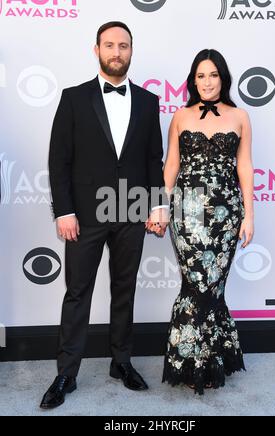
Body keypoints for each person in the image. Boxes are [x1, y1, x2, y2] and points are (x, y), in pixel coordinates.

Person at [41, 21, 169, 410]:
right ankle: (66, 373)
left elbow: (152, 159)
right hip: (85, 214)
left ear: (132, 51)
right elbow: (59, 160)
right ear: (96, 49)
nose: (117, 52)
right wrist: (64, 211)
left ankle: (122, 362)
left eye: (124, 46)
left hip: (131, 209)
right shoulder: (73, 98)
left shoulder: (148, 102)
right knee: (78, 292)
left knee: (124, 290)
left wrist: (158, 204)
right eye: (110, 45)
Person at [162, 49, 254, 395]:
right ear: (192, 80)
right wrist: (159, 207)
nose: (207, 82)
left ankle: (212, 360)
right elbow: (171, 165)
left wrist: (249, 215)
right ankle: (192, 361)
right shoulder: (180, 116)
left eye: (213, 75)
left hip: (226, 214)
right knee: (195, 285)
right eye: (200, 76)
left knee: (214, 286)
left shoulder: (240, 116)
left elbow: (244, 166)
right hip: (185, 214)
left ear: (223, 78)